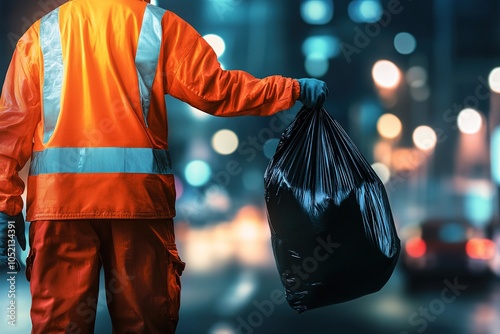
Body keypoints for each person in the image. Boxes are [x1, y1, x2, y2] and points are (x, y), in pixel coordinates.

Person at [0, 0, 329, 332]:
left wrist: (4, 206)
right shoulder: (156, 25)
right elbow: (217, 90)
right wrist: (293, 89)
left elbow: (10, 128)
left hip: (60, 208)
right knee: (145, 322)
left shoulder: (41, 34)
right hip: (136, 205)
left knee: (59, 325)